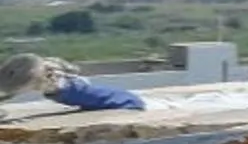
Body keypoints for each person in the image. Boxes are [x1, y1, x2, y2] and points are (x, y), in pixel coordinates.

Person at [0, 52, 146, 112]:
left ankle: (56, 82)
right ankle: (56, 82)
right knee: (127, 101)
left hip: (127, 105)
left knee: (129, 102)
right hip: (124, 103)